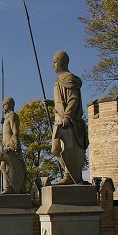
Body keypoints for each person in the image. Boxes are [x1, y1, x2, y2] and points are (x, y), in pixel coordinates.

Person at [51, 50, 88, 184]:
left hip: (69, 120)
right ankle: (71, 175)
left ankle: (69, 176)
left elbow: (73, 100)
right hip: (59, 119)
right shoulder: (59, 80)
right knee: (56, 149)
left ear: (61, 62)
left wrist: (67, 115)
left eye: (55, 62)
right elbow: (61, 101)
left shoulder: (68, 79)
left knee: (66, 148)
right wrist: (51, 103)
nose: (53, 65)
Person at [0, 97, 26, 193]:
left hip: (11, 147)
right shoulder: (8, 117)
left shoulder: (13, 116)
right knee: (4, 167)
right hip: (7, 146)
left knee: (6, 166)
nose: (3, 108)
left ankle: (11, 188)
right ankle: (10, 188)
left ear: (8, 104)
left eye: (4, 105)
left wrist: (11, 145)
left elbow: (16, 132)